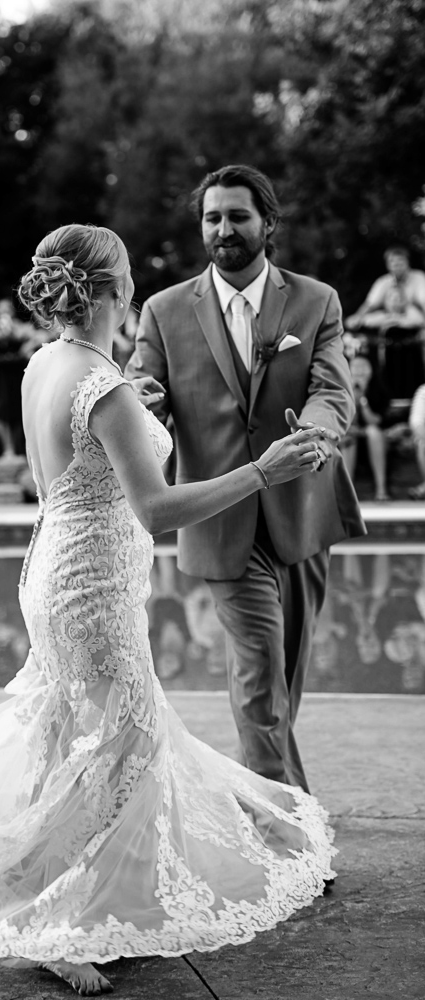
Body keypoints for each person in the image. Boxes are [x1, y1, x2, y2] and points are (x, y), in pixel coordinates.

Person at [0, 224, 336, 997]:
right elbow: (154, 511)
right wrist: (264, 469)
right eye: (128, 275)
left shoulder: (49, 366)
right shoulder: (106, 386)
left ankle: (58, 884)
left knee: (74, 736)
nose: (134, 285)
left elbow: (60, 463)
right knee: (116, 745)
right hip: (91, 588)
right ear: (113, 290)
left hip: (54, 568)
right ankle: (54, 919)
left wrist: (132, 407)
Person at [125, 163, 366, 793]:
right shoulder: (164, 310)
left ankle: (267, 801)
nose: (223, 229)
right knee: (260, 675)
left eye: (237, 216)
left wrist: (312, 436)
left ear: (267, 223)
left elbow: (332, 391)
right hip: (221, 513)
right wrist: (141, 399)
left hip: (304, 508)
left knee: (284, 678)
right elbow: (138, 385)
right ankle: (290, 826)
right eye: (212, 217)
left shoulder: (316, 301)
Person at [345, 246, 425, 398]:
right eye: (393, 262)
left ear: (407, 262)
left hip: (416, 326)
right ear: (388, 265)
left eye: (400, 262)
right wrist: (357, 319)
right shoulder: (384, 282)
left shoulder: (419, 278)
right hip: (390, 330)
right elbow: (370, 305)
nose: (397, 266)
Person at [340, 354, 391, 501]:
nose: (359, 370)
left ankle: (381, 490)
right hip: (349, 433)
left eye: (364, 366)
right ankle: (347, 492)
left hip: (373, 434)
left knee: (373, 432)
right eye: (355, 367)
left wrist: (362, 400)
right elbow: (346, 420)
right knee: (348, 437)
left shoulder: (380, 389)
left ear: (372, 370)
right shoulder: (341, 389)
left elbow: (374, 421)